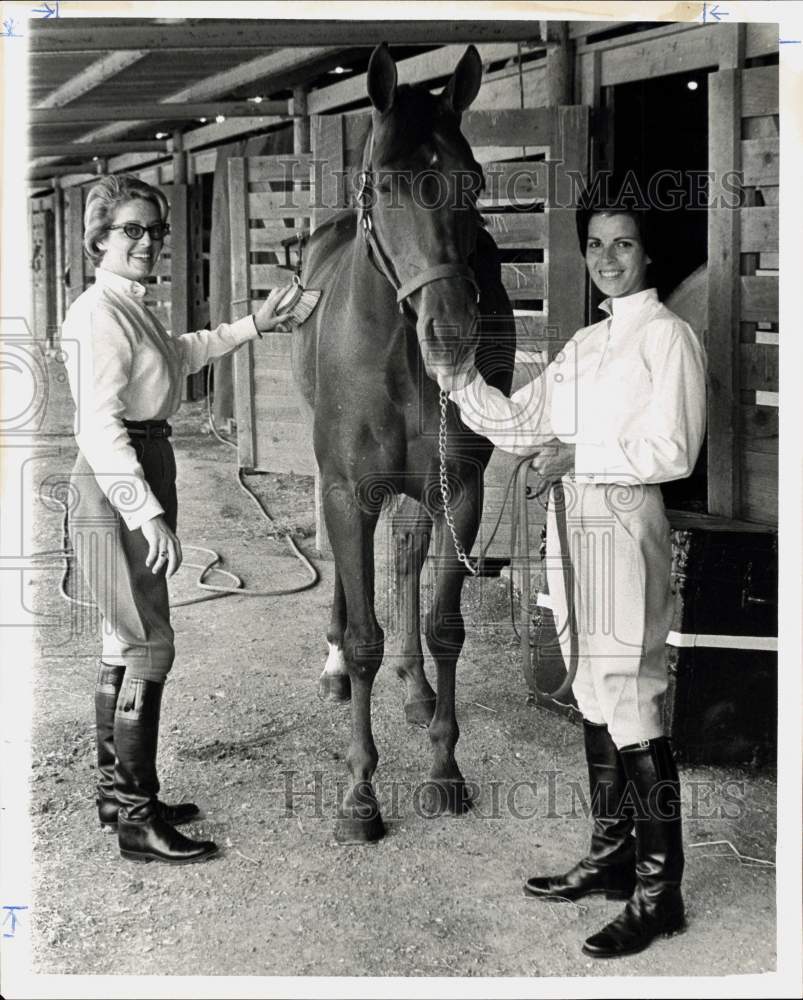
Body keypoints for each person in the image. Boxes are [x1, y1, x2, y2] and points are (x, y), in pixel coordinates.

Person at [444, 203, 707, 957]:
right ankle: (613, 857)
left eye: (622, 244)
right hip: (569, 516)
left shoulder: (667, 338)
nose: (606, 258)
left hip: (624, 516)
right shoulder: (585, 343)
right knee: (590, 684)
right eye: (595, 245)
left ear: (648, 255)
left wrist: (577, 456)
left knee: (629, 687)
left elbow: (672, 448)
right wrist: (456, 376)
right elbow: (522, 425)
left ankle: (661, 893)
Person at [63, 174, 291, 865]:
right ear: (100, 236)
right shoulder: (98, 314)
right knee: (148, 644)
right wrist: (148, 515)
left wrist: (254, 324)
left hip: (141, 461)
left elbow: (178, 357)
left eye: (154, 231)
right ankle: (136, 817)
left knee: (120, 638)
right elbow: (99, 429)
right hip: (117, 477)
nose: (146, 243)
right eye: (130, 230)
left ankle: (117, 794)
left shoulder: (131, 306)